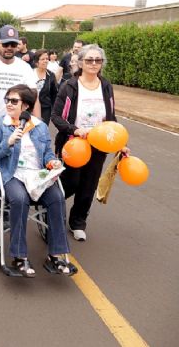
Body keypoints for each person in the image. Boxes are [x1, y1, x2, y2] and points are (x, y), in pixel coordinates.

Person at [0, 84, 77, 277]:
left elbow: (47, 153)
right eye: (7, 100)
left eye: (14, 101)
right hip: (11, 173)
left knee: (57, 198)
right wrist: (7, 143)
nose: (9, 104)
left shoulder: (40, 126)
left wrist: (52, 161)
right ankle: (19, 256)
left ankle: (56, 255)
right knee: (19, 199)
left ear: (25, 105)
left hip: (36, 174)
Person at [51, 44, 128, 242]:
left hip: (99, 144)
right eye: (89, 60)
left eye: (98, 60)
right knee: (71, 182)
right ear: (81, 63)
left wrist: (119, 143)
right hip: (74, 143)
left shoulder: (106, 86)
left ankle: (78, 222)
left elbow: (110, 117)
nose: (94, 64)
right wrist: (75, 130)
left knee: (89, 185)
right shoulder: (70, 86)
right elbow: (56, 116)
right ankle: (49, 204)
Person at [0, 25, 40, 178]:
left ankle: (5, 197)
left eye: (13, 44)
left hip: (16, 126)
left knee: (14, 161)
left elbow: (34, 99)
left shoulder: (25, 68)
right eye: (5, 44)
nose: (9, 48)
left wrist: (38, 122)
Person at [33, 49, 59, 124]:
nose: (45, 61)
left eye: (47, 59)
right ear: (36, 61)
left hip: (45, 109)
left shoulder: (51, 75)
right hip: (29, 108)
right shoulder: (30, 73)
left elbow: (54, 94)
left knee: (42, 130)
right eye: (42, 59)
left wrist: (55, 111)